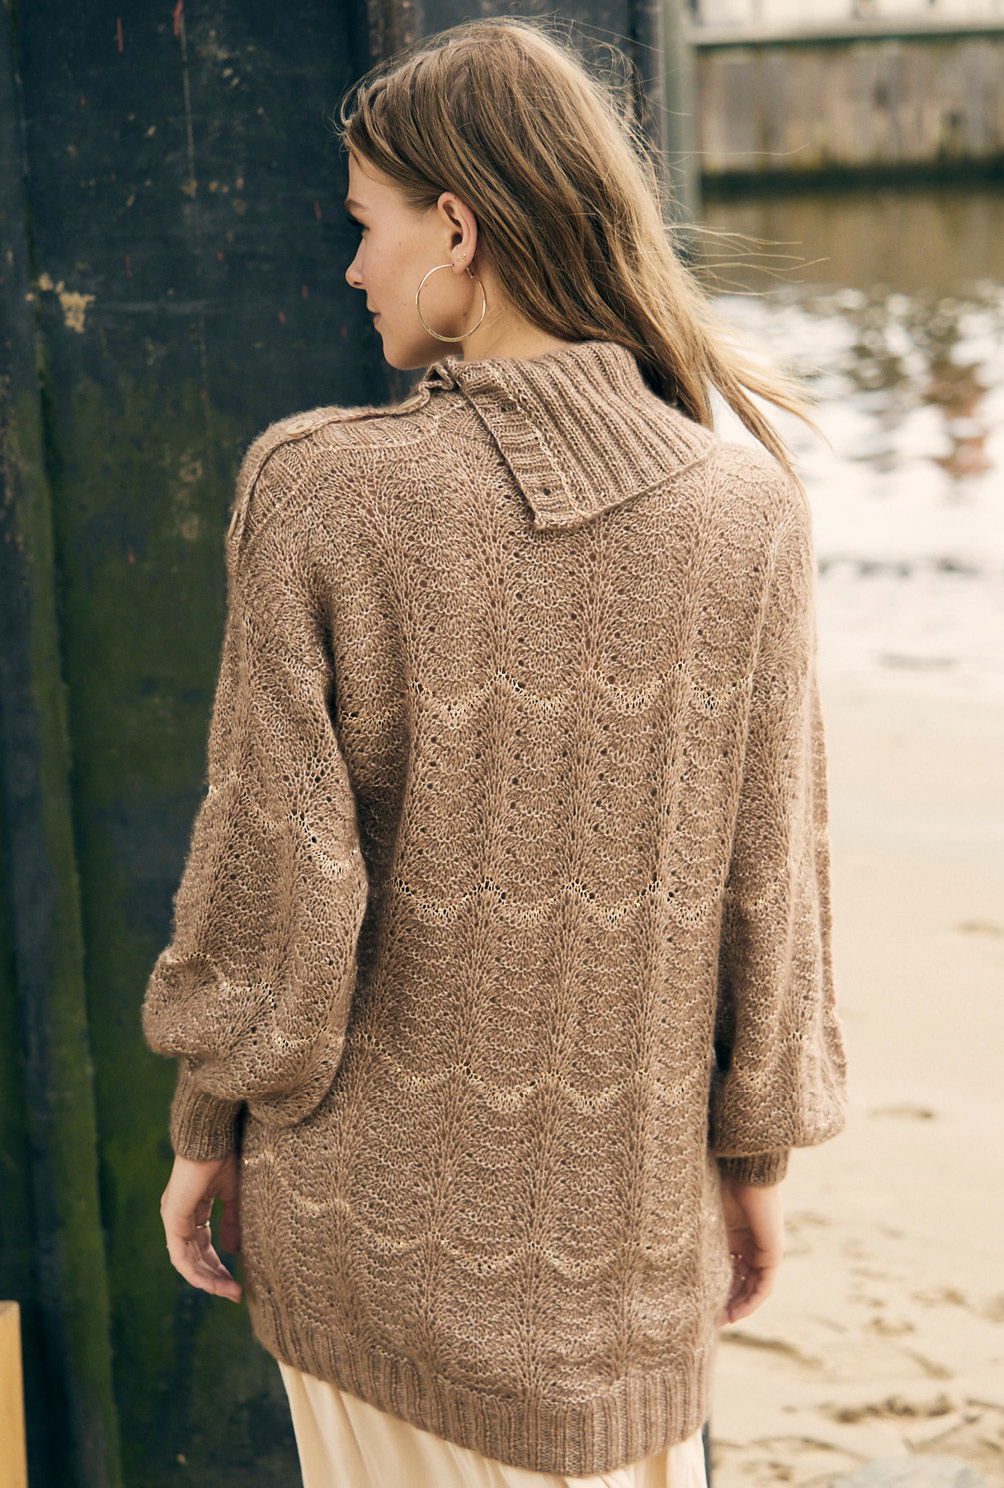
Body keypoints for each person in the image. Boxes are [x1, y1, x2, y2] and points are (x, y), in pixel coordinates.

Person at [141, 16, 849, 1488]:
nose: (354, 269)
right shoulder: (749, 515)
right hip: (634, 1267)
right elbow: (771, 889)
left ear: (456, 229)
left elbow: (278, 884)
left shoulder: (326, 490)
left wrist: (205, 1126)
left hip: (373, 1251)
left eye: (367, 226)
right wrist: (753, 1158)